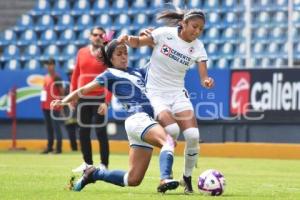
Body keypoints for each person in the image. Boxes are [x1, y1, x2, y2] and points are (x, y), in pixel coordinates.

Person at [52, 40, 179, 193]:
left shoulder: (138, 72)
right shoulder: (109, 74)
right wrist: (64, 101)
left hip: (139, 123)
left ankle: (94, 174)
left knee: (132, 179)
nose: (124, 57)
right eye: (119, 54)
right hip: (139, 119)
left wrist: (157, 42)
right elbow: (84, 89)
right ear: (110, 59)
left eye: (125, 53)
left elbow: (158, 61)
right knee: (169, 141)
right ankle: (165, 177)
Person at [118, 9, 215, 194]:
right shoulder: (164, 34)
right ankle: (166, 174)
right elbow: (138, 42)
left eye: (201, 29)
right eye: (194, 26)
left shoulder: (198, 47)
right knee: (172, 130)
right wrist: (129, 39)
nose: (197, 31)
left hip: (178, 93)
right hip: (155, 93)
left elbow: (204, 77)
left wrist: (207, 81)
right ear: (183, 24)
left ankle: (186, 178)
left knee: (193, 136)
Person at [70, 27, 112, 172]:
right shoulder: (81, 52)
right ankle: (87, 163)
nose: (98, 37)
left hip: (99, 98)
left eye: (101, 35)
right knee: (83, 131)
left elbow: (109, 78)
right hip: (83, 98)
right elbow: (76, 74)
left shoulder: (106, 54)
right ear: (90, 36)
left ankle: (104, 164)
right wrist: (72, 96)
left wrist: (107, 102)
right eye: (95, 35)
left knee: (100, 131)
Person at [41, 58, 64, 154]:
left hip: (55, 106)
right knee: (49, 128)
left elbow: (62, 92)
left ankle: (58, 148)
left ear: (54, 65)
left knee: (56, 127)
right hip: (45, 107)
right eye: (47, 64)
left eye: (50, 64)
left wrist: (61, 105)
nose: (48, 66)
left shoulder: (57, 77)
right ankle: (49, 147)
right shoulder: (46, 77)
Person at [62, 69, 78, 151]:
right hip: (69, 115)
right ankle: (74, 148)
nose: (70, 76)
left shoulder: (80, 86)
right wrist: (64, 114)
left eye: (72, 74)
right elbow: (63, 101)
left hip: (79, 115)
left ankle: (84, 148)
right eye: (69, 74)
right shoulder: (67, 88)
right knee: (71, 133)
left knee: (82, 132)